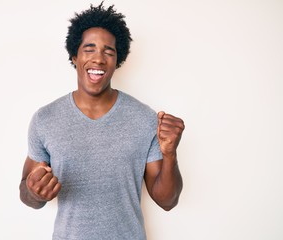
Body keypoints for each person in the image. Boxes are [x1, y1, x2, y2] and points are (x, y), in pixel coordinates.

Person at [19, 2, 185, 240]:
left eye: (108, 51)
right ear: (74, 56)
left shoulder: (144, 118)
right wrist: (34, 193)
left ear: (117, 61)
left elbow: (167, 201)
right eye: (89, 49)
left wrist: (170, 155)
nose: (98, 59)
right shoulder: (45, 119)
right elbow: (27, 195)